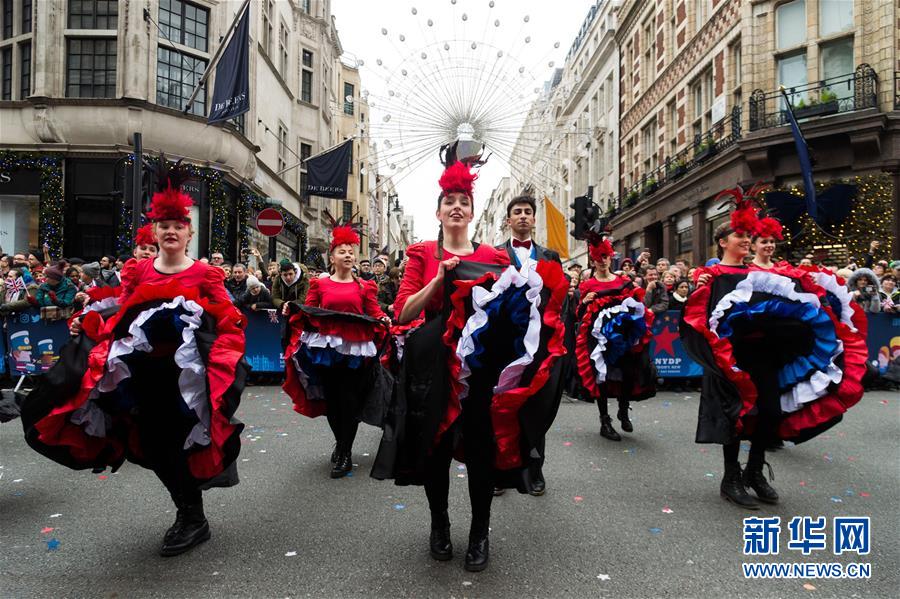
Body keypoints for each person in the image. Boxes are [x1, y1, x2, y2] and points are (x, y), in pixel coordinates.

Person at [21, 158, 247, 556]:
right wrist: (88, 323)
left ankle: (190, 515)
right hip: (141, 376)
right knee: (155, 445)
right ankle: (191, 513)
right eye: (165, 225)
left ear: (189, 231)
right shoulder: (138, 271)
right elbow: (121, 312)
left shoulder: (206, 274)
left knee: (177, 444)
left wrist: (222, 346)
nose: (171, 231)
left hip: (188, 380)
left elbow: (228, 319)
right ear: (155, 231)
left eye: (178, 225)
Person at [372, 156, 566, 573]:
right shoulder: (423, 252)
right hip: (432, 367)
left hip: (479, 370)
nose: (456, 207)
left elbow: (517, 306)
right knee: (436, 450)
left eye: (463, 201)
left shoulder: (495, 257)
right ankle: (439, 525)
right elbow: (403, 312)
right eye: (449, 201)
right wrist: (438, 279)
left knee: (480, 450)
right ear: (438, 212)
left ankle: (480, 533)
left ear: (473, 212)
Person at [680, 184, 866, 510]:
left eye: (748, 236)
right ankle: (730, 478)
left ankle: (754, 469)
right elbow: (697, 317)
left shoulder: (762, 273)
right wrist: (700, 288)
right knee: (734, 417)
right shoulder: (712, 274)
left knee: (770, 412)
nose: (747, 240)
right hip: (730, 358)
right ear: (724, 242)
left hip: (764, 355)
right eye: (740, 235)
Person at [283, 222, 388, 478]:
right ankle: (341, 443)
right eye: (342, 251)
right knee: (332, 401)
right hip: (326, 349)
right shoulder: (319, 284)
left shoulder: (365, 286)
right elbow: (309, 309)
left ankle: (345, 452)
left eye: (351, 251)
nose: (348, 255)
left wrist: (383, 318)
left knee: (350, 401)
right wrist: (291, 308)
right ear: (332, 257)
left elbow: (373, 312)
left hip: (356, 350)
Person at [495, 194, 565, 497]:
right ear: (509, 220)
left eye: (527, 212)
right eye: (517, 212)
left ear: (534, 219)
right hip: (504, 343)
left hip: (540, 345)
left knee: (537, 403)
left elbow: (558, 301)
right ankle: (500, 469)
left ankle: (535, 467)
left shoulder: (550, 256)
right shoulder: (495, 254)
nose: (523, 216)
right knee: (502, 404)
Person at [577, 236, 656, 441]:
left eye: (605, 256)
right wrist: (585, 302)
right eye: (598, 257)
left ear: (610, 258)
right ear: (593, 261)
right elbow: (579, 314)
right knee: (602, 377)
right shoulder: (587, 285)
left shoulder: (623, 281)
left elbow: (638, 305)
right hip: (600, 338)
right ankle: (605, 420)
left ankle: (623, 409)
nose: (603, 260)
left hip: (624, 336)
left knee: (628, 373)